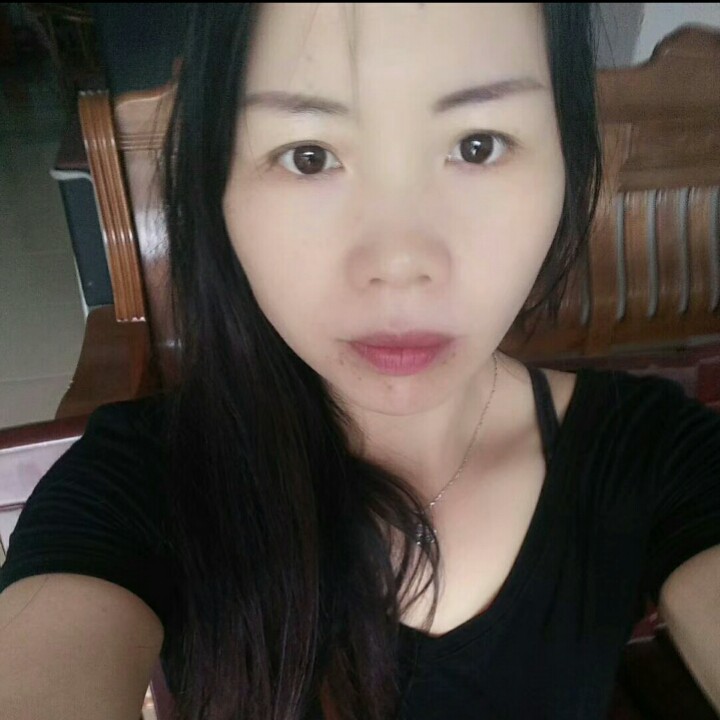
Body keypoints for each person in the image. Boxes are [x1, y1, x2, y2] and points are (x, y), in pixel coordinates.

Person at [1, 4, 719, 719]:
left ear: (569, 160)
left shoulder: (653, 453)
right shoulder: (145, 480)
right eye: (309, 156)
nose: (399, 263)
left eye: (478, 146)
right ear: (218, 187)